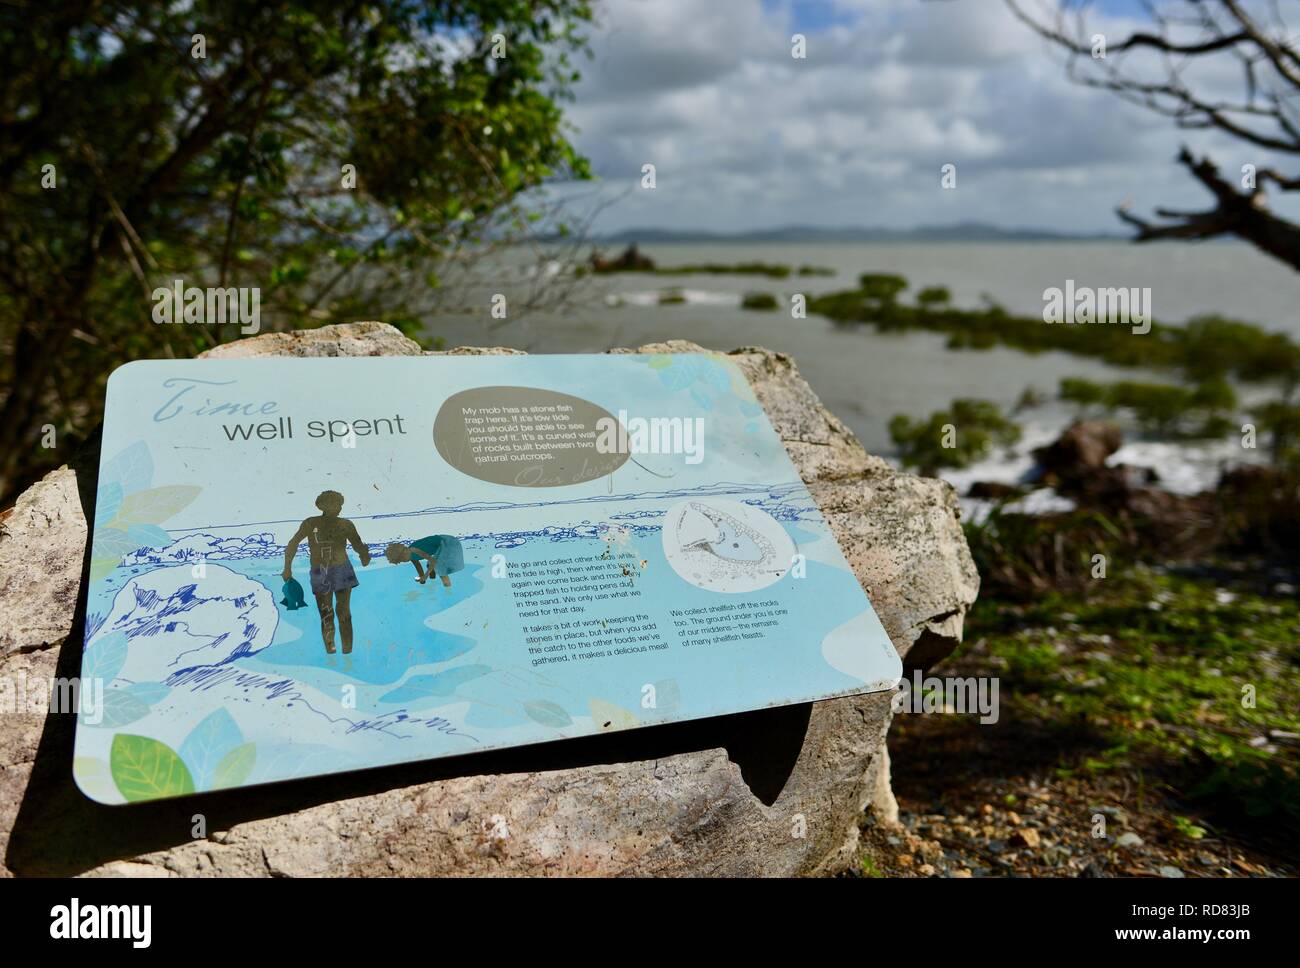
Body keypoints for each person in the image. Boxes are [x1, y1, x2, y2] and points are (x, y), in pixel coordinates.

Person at [283, 490, 371, 654]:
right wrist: (287, 567)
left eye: (339, 504)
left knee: (342, 612)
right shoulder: (310, 523)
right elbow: (293, 544)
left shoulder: (345, 524)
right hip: (321, 572)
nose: (338, 508)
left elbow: (358, 544)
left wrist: (364, 555)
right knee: (327, 612)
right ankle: (332, 648)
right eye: (334, 504)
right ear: (322, 506)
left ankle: (346, 649)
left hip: (342, 570)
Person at [385, 534, 464, 588]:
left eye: (403, 558)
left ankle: (448, 590)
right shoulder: (411, 557)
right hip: (440, 545)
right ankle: (433, 584)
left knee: (440, 570)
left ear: (404, 551)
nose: (404, 560)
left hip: (448, 542)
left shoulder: (414, 550)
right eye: (401, 560)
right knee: (430, 566)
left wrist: (425, 576)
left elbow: (433, 561)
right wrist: (422, 579)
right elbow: (419, 567)